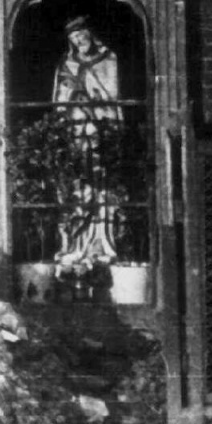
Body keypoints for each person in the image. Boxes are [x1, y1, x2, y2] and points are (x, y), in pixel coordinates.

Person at [52, 16, 121, 273]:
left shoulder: (108, 59)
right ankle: (75, 244)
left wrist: (92, 97)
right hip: (76, 130)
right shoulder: (66, 64)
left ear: (91, 34)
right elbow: (59, 100)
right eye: (74, 38)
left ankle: (99, 244)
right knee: (77, 185)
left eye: (82, 35)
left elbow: (110, 94)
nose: (79, 41)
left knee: (100, 184)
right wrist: (71, 96)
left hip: (100, 129)